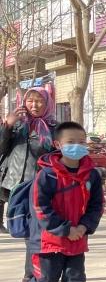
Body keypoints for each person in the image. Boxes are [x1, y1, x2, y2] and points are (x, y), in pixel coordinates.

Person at [8, 121, 103, 282]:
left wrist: (84, 226)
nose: (77, 146)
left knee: (76, 280)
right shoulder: (47, 175)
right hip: (48, 240)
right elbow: (40, 208)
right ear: (58, 145)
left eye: (81, 142)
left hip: (77, 238)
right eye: (71, 142)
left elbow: (97, 205)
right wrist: (65, 229)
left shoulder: (92, 175)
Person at [0, 88, 57, 249]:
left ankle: (34, 263)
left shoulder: (54, 128)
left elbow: (59, 156)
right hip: (15, 183)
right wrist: (7, 126)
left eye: (39, 101)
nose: (34, 105)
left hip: (40, 184)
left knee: (36, 228)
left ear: (47, 103)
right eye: (30, 101)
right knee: (21, 227)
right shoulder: (17, 125)